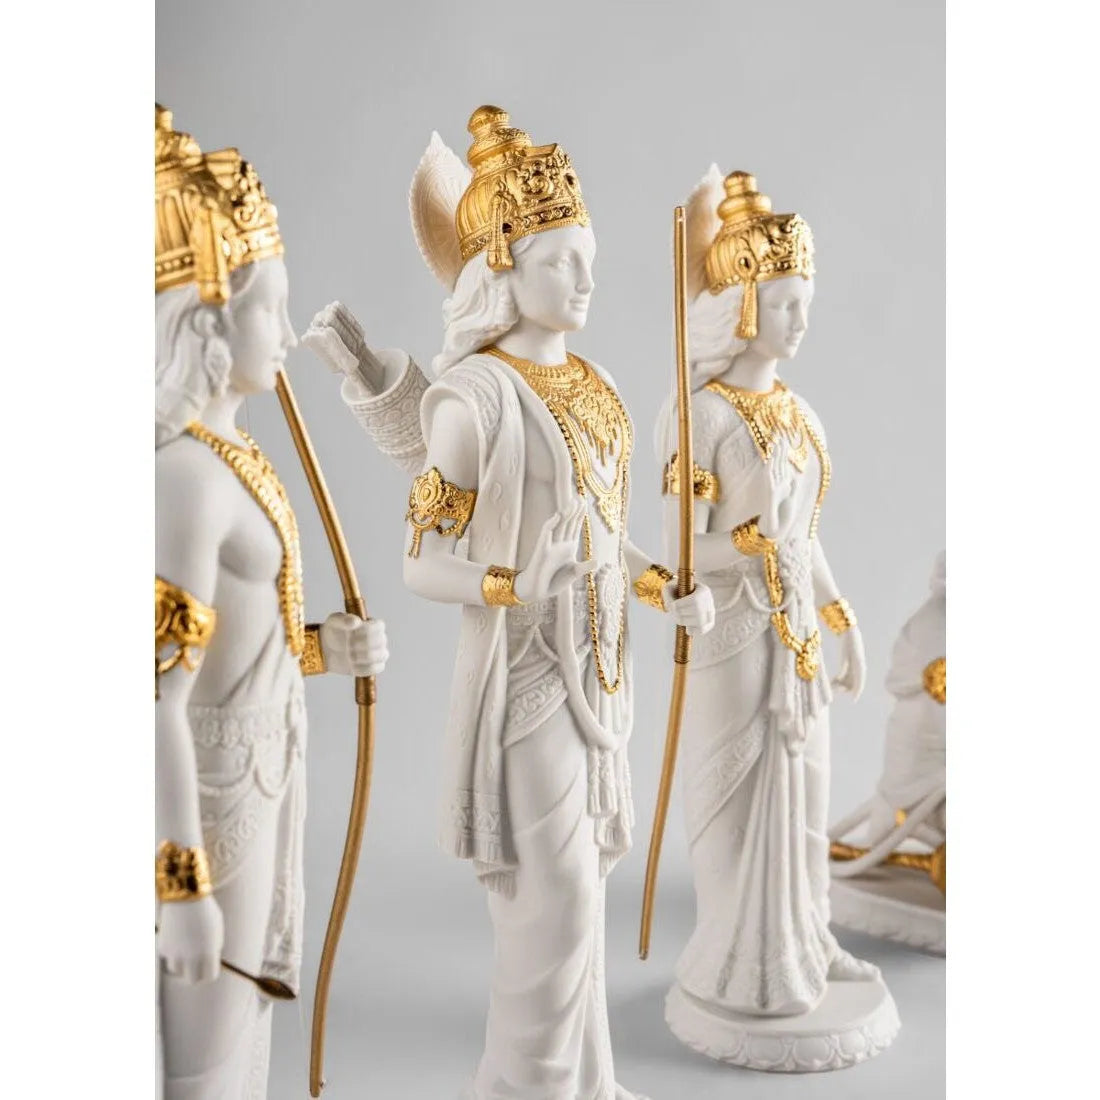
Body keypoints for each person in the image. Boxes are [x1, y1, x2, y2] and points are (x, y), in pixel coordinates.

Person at [154, 105, 389, 1097]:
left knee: (245, 1029)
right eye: (268, 310)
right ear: (208, 323)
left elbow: (239, 645)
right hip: (208, 804)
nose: (286, 334)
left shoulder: (233, 455)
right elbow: (154, 697)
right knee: (205, 1053)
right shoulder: (181, 478)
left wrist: (320, 648)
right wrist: (180, 887)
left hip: (261, 775)